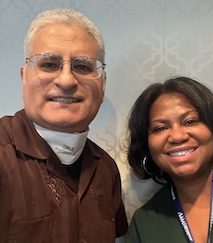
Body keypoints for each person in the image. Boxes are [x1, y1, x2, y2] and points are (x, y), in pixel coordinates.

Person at [0, 8, 128, 243]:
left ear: (102, 85)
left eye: (82, 66)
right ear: (23, 77)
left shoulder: (107, 170)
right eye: (49, 64)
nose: (67, 80)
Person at [124, 76, 213, 243]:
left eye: (190, 121)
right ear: (147, 144)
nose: (177, 136)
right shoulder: (145, 223)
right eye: (160, 128)